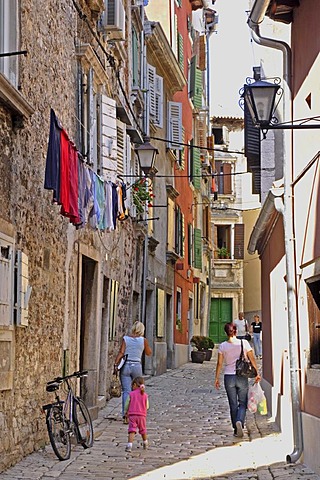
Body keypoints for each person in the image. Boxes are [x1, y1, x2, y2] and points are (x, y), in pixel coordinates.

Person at [214, 322, 261, 437]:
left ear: (226, 332)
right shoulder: (244, 343)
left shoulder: (223, 346)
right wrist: (257, 373)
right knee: (243, 402)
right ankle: (240, 420)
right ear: (235, 331)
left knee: (232, 404)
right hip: (242, 376)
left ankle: (236, 428)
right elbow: (252, 358)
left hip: (228, 377)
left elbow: (219, 363)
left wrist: (216, 378)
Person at [114, 321, 152, 423]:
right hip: (137, 366)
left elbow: (121, 353)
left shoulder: (126, 339)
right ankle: (136, 412)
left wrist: (116, 364)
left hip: (126, 366)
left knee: (126, 391)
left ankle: (125, 415)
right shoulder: (143, 340)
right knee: (138, 391)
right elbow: (149, 353)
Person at [124, 376, 149, 452]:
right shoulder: (145, 395)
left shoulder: (131, 394)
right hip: (142, 416)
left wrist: (126, 412)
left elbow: (127, 404)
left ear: (134, 385)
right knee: (143, 430)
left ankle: (129, 445)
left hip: (132, 415)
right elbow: (147, 406)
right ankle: (145, 442)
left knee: (132, 430)